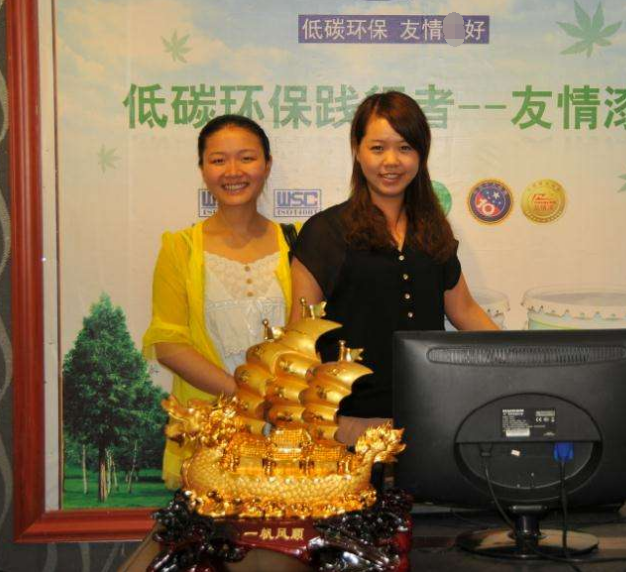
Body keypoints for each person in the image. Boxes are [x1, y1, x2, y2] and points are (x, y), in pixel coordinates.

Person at [290, 91, 497, 445]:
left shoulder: (432, 229)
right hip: (349, 425)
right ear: (357, 150)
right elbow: (300, 335)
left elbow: (464, 310)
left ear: (421, 154)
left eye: (405, 148)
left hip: (428, 418)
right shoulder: (324, 231)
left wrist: (520, 360)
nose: (391, 161)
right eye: (377, 148)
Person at [142, 114, 298, 488]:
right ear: (202, 169)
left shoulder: (299, 242)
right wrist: (250, 400)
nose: (233, 171)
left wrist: (280, 406)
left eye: (246, 158)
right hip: (208, 440)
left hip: (287, 437)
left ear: (267, 164)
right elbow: (169, 345)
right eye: (218, 160)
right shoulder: (179, 248)